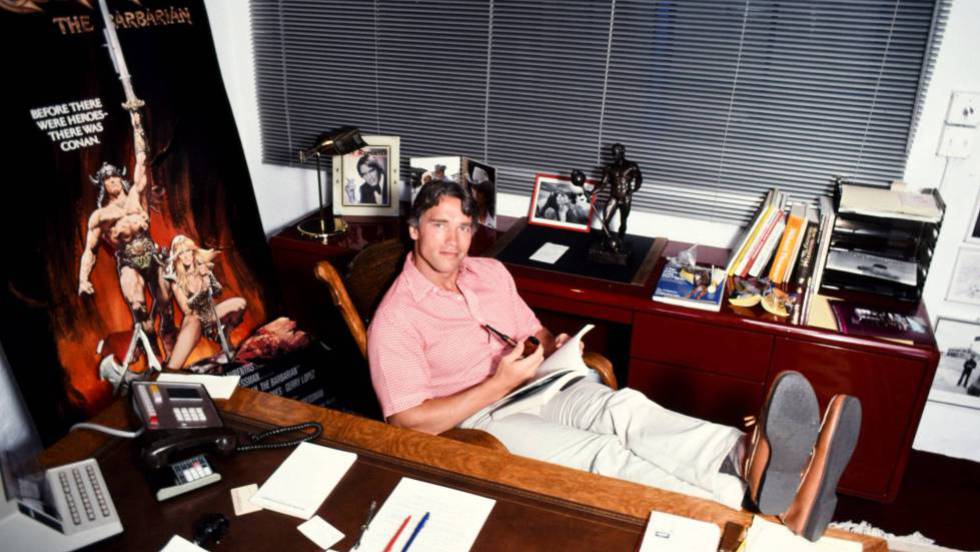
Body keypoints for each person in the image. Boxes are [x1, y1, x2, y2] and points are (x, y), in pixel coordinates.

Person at [367, 180, 861, 540]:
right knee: (605, 457)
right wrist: (498, 384)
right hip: (484, 418)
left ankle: (757, 462)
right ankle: (753, 520)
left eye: (463, 227)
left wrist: (553, 344)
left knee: (626, 409)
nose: (453, 242)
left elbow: (531, 330)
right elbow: (406, 421)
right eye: (439, 226)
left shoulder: (489, 273)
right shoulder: (396, 319)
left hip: (540, 383)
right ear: (414, 230)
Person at [78, 108, 176, 359]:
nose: (112, 181)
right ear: (102, 185)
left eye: (114, 177)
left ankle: (166, 328)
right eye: (106, 179)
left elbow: (142, 159)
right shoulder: (100, 216)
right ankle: (153, 353)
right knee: (137, 305)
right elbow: (90, 249)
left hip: (151, 254)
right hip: (128, 262)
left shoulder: (136, 196)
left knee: (165, 303)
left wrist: (137, 124)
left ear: (121, 179)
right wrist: (83, 279)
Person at [166, 235, 247, 369]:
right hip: (195, 318)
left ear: (193, 252)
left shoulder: (203, 268)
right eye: (181, 253)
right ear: (177, 257)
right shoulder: (176, 281)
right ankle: (171, 370)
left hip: (212, 312)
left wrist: (207, 276)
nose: (186, 256)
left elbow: (217, 291)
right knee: (192, 321)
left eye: (188, 251)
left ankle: (224, 334)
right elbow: (187, 309)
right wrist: (202, 289)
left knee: (240, 303)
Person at [590, 143, 641, 250]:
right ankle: (604, 242)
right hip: (613, 197)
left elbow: (639, 178)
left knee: (623, 221)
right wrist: (592, 193)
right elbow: (602, 184)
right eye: (613, 153)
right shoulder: (609, 168)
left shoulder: (631, 166)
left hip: (626, 197)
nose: (614, 155)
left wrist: (634, 189)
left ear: (622, 152)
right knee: (605, 220)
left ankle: (620, 241)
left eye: (616, 153)